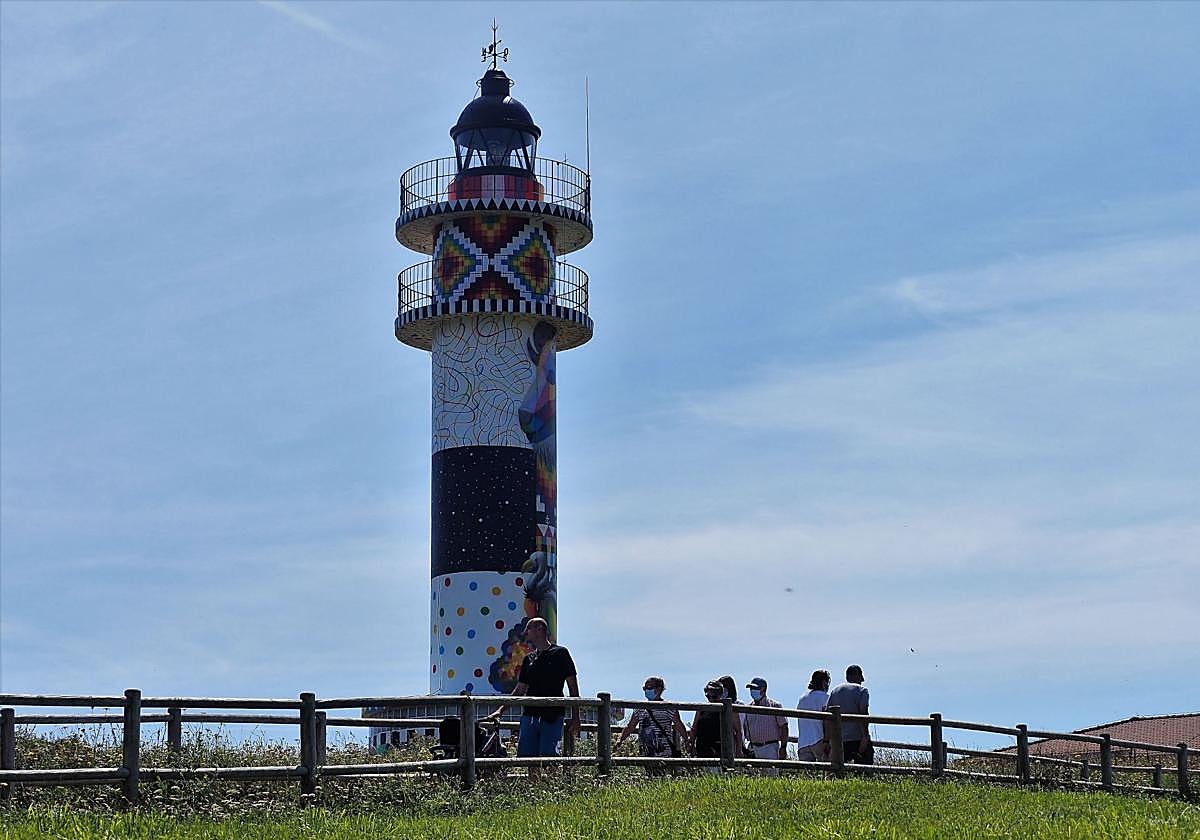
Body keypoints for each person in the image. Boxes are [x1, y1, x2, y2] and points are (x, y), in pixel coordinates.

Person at [484, 618, 580, 760]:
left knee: (549, 758)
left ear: (540, 629)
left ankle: (549, 776)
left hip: (552, 715)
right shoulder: (528, 659)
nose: (525, 632)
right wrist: (500, 711)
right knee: (528, 758)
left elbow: (573, 687)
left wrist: (576, 716)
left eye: (529, 628)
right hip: (529, 715)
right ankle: (533, 776)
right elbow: (520, 690)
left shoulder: (561, 653)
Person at [616, 676, 688, 773]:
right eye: (644, 688)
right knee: (649, 776)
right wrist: (620, 739)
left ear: (659, 689)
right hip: (646, 752)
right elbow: (630, 726)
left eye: (649, 688)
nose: (646, 690)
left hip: (664, 752)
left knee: (664, 776)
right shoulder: (639, 708)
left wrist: (687, 740)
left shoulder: (669, 707)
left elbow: (678, 724)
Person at [827, 664, 872, 765]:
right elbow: (863, 713)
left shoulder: (835, 691)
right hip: (857, 737)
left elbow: (828, 716)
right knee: (865, 768)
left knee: (839, 768)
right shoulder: (862, 690)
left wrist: (828, 740)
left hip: (839, 739)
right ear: (858, 676)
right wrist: (865, 737)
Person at [741, 677, 789, 762]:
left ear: (763, 689)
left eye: (755, 688)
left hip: (770, 747)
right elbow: (744, 729)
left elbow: (784, 727)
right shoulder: (748, 708)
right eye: (751, 688)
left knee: (771, 770)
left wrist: (783, 747)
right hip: (752, 748)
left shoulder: (774, 706)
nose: (752, 691)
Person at [795, 669, 831, 762]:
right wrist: (826, 741)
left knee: (806, 770)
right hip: (819, 739)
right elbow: (827, 721)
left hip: (803, 742)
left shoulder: (802, 698)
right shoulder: (826, 698)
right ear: (824, 682)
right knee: (827, 768)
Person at [688, 680, 727, 762]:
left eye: (714, 696)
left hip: (721, 748)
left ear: (720, 694)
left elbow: (737, 731)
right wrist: (691, 745)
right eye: (709, 696)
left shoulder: (726, 709)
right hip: (702, 748)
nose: (711, 699)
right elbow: (694, 728)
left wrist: (738, 750)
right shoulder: (701, 708)